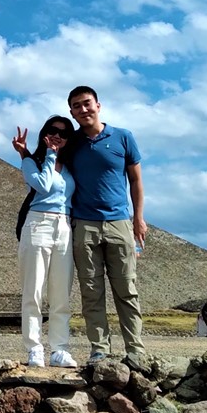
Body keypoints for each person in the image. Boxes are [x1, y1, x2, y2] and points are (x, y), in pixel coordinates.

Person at [63, 86, 146, 365]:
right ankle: (100, 348)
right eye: (76, 106)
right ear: (72, 112)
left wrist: (138, 218)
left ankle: (135, 348)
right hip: (84, 224)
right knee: (91, 291)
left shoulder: (123, 137)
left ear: (98, 105)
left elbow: (135, 180)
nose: (83, 109)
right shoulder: (71, 143)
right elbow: (49, 167)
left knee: (126, 289)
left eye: (87, 103)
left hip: (119, 222)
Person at [12, 114, 78, 368]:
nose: (58, 136)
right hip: (38, 224)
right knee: (34, 291)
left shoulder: (71, 166)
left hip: (64, 225)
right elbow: (42, 184)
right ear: (44, 134)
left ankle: (59, 349)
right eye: (53, 131)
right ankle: (34, 348)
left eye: (63, 133)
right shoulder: (31, 162)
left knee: (61, 292)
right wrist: (48, 154)